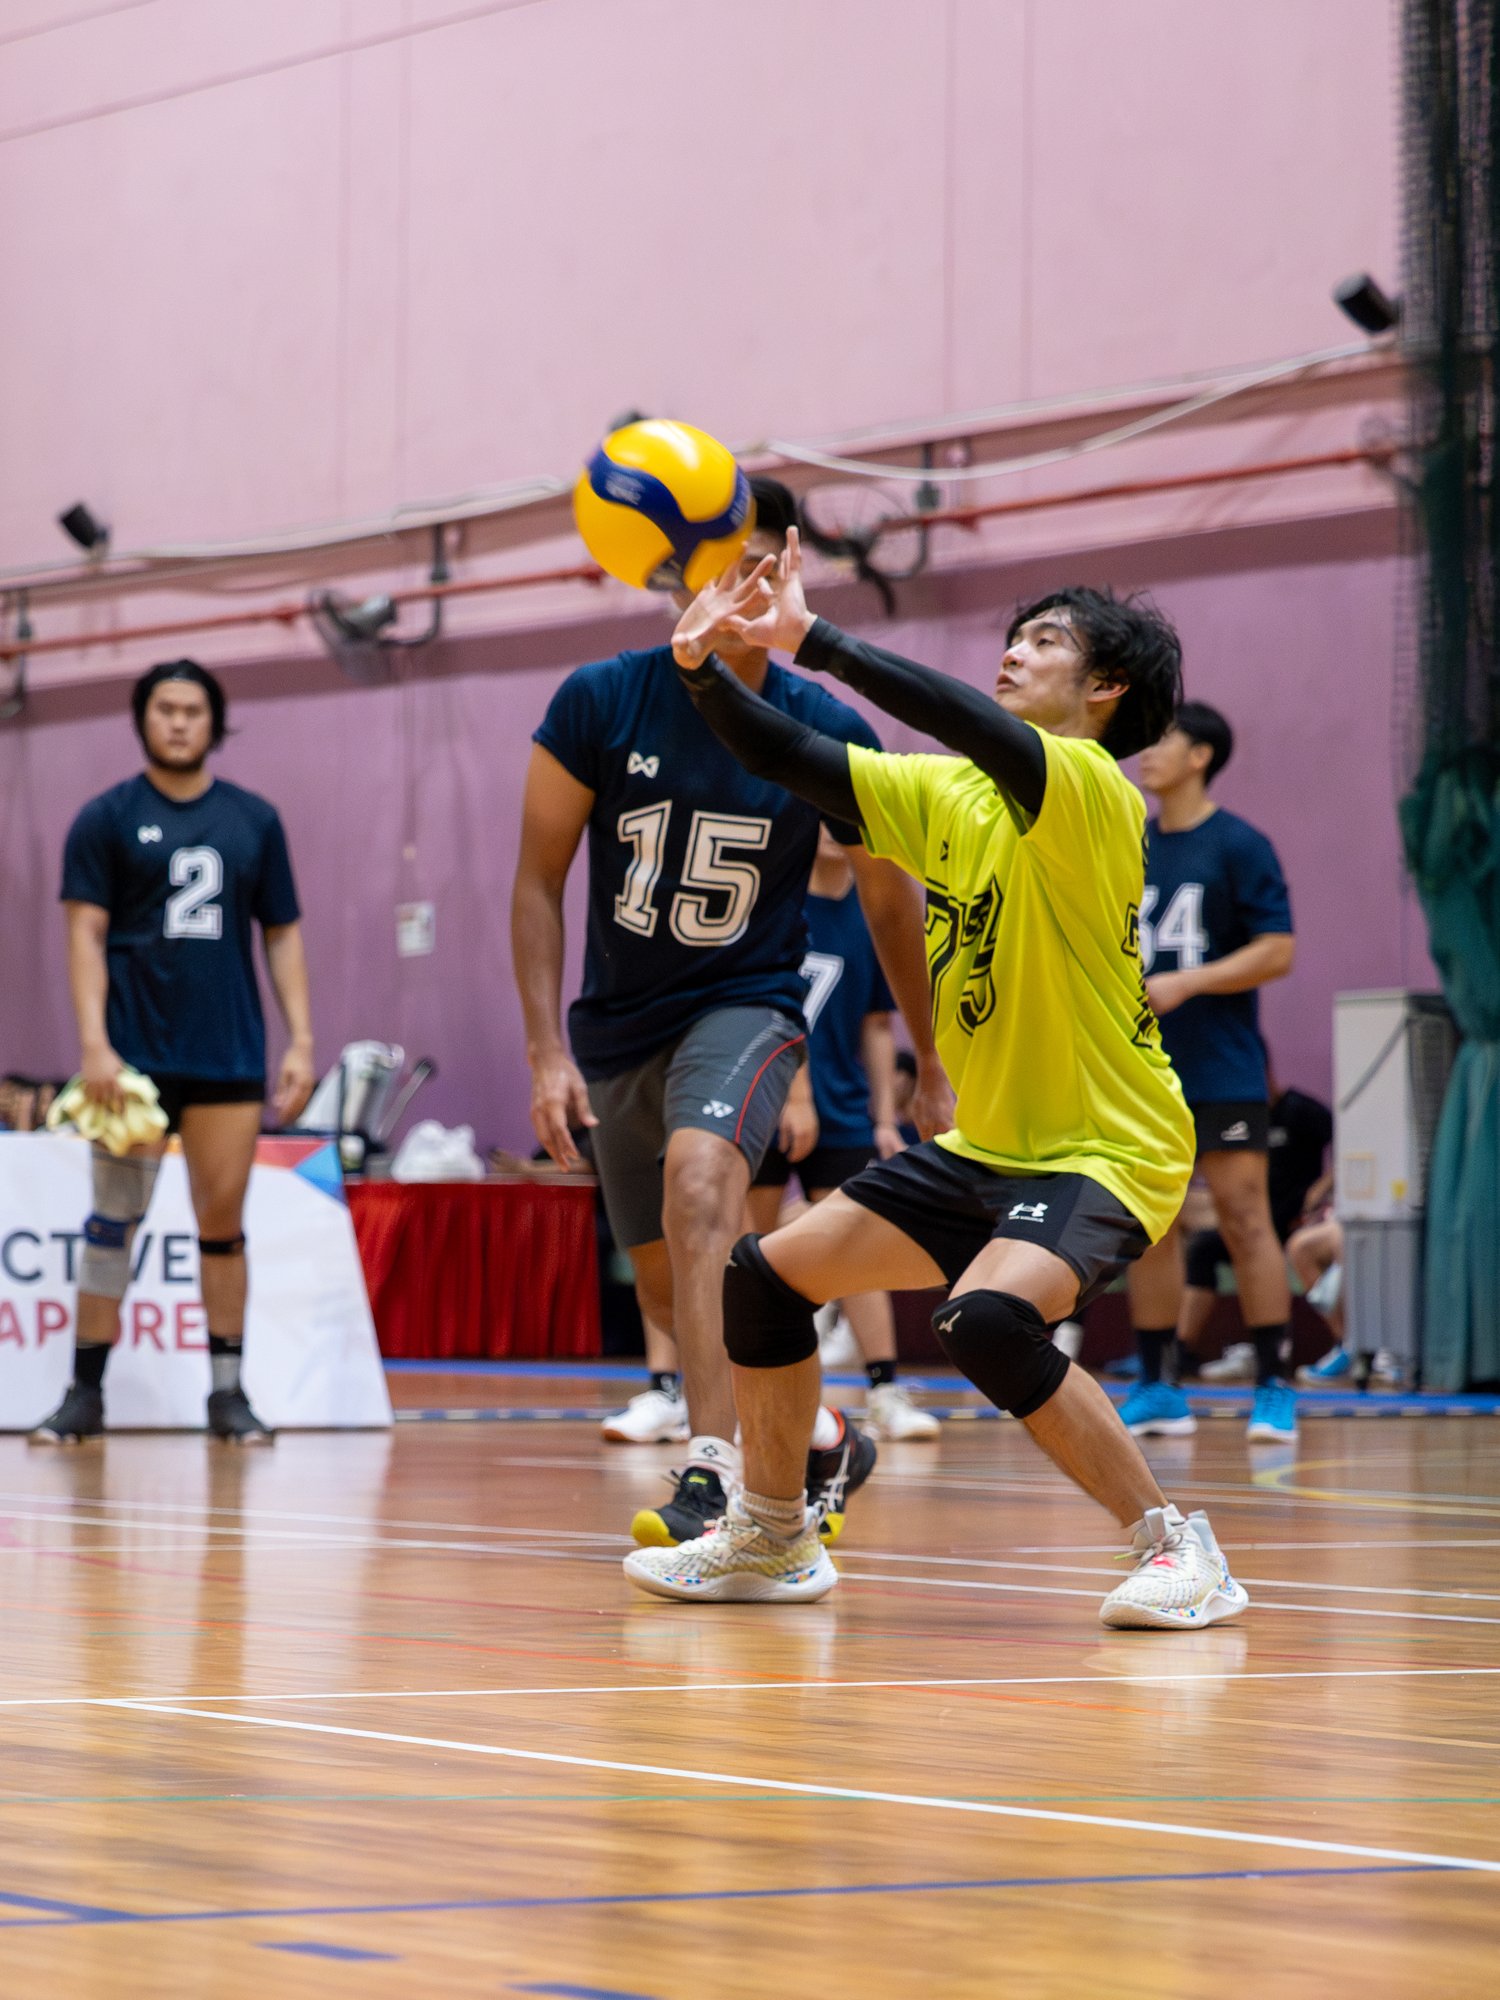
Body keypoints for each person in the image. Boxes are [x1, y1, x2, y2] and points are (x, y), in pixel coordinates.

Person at [624, 531, 1248, 1631]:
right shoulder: (951, 796)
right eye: (1011, 635)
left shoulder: (1093, 790)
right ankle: (773, 1532)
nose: (1013, 650)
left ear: (1105, 689)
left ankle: (1177, 1545)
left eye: (1044, 641)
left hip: (1110, 1146)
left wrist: (813, 638)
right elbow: (791, 755)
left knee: (986, 1320)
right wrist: (696, 670)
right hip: (991, 1147)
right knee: (763, 1278)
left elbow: (967, 719)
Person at [511, 480, 951, 1547]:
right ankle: (819, 1437)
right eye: (719, 561)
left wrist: (932, 1064)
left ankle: (718, 1477)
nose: (739, 581)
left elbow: (894, 900)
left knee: (706, 1184)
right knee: (675, 1288)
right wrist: (542, 1051)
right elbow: (537, 878)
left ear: (791, 568)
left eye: (760, 562)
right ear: (675, 569)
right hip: (617, 1027)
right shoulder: (599, 698)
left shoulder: (827, 729)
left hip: (747, 1004)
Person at [32, 659, 315, 1445]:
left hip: (226, 1056)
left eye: (194, 710)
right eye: (165, 709)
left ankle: (228, 1395)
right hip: (132, 1063)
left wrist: (302, 1038)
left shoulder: (254, 820)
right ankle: (83, 1395)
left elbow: (282, 934)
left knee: (222, 1227)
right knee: (110, 1223)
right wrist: (94, 1044)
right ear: (143, 719)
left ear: (214, 722)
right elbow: (82, 934)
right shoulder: (106, 817)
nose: (180, 722)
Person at [1118, 702, 1298, 1443]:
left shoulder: (1240, 845)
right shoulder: (1130, 842)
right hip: (1143, 1067)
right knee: (1148, 1224)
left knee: (1244, 1217)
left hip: (1222, 1065)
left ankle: (1275, 1385)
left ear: (1201, 755)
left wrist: (1189, 981)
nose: (1147, 753)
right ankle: (1159, 1385)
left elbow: (1278, 950)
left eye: (1164, 740)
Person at [748, 825, 939, 1441]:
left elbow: (878, 1027)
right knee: (748, 1248)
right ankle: (743, 1394)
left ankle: (883, 1389)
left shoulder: (872, 911)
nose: (829, 828)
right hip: (764, 1096)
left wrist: (885, 1119)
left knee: (856, 1249)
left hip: (845, 1108)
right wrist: (789, 1093)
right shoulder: (777, 902)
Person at [1191, 1058, 1332, 1379]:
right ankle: (1179, 1350)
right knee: (1202, 1248)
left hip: (1294, 1222)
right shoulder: (1230, 1121)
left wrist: (1321, 1189)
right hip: (1256, 1218)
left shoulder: (1301, 1111)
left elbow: (1348, 1139)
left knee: (1267, 1242)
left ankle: (1278, 1366)